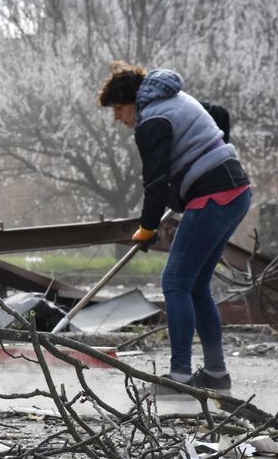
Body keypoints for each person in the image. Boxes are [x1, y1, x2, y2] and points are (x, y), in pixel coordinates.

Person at [98, 62, 251, 395]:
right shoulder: (176, 99)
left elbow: (155, 182)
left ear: (133, 102)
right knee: (194, 285)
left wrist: (147, 227)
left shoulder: (152, 120)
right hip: (234, 192)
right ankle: (215, 375)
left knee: (175, 281)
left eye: (120, 109)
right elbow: (219, 114)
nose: (117, 118)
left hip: (215, 196)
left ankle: (179, 378)